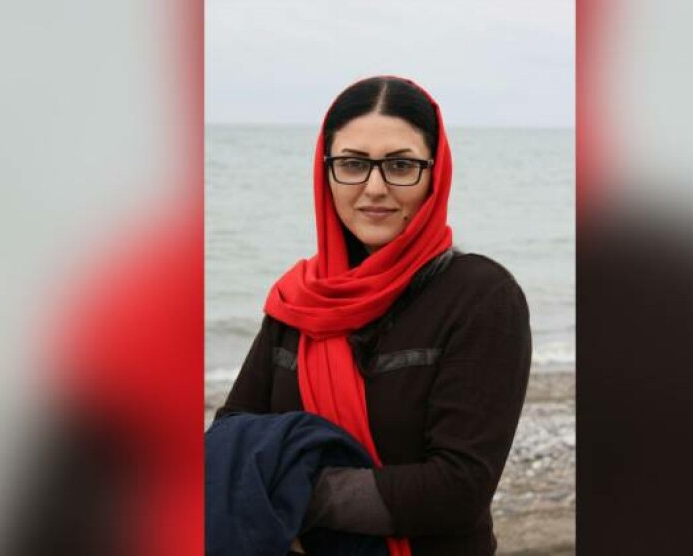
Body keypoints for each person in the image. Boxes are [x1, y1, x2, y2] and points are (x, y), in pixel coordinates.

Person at [215, 75, 532, 556]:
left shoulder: (481, 297)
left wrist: (287, 492)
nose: (375, 188)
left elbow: (458, 488)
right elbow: (231, 435)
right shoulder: (297, 299)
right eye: (353, 164)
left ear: (435, 174)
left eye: (401, 165)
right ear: (325, 172)